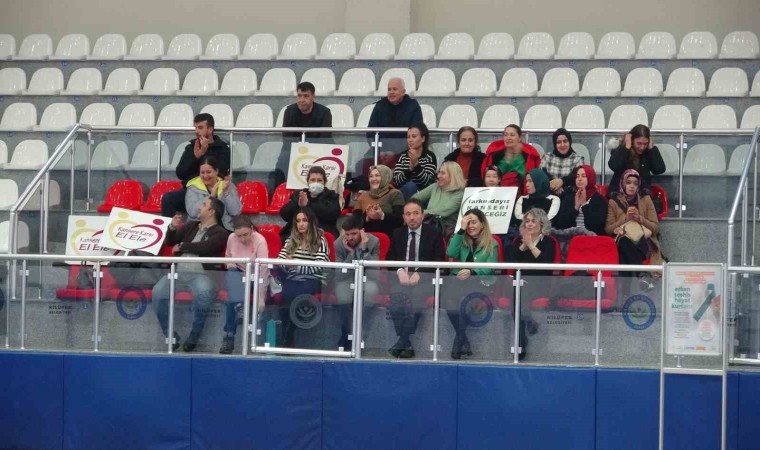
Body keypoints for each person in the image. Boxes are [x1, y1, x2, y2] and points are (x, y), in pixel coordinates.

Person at [152, 197, 229, 352]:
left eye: (204, 205)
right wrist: (172, 228)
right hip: (177, 273)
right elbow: (171, 241)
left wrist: (182, 246)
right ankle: (170, 335)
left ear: (211, 211)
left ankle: (194, 336)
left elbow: (206, 247)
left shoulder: (221, 232)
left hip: (202, 275)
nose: (199, 207)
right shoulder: (190, 225)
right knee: (158, 293)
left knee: (204, 296)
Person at [386, 199, 445, 359]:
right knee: (395, 301)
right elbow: (390, 258)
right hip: (402, 280)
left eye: (416, 213)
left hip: (424, 281)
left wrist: (420, 272)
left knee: (416, 301)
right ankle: (406, 343)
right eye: (408, 214)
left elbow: (439, 260)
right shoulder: (397, 233)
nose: (412, 217)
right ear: (404, 217)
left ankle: (402, 341)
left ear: (422, 215)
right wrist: (399, 271)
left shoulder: (433, 233)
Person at [445, 209, 499, 360]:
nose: (470, 226)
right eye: (467, 223)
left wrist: (472, 271)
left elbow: (491, 268)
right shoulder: (461, 239)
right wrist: (460, 230)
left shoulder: (492, 243)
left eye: (474, 222)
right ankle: (462, 339)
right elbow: (451, 253)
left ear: (482, 224)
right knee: (448, 300)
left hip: (480, 282)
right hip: (459, 281)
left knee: (467, 301)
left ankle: (459, 340)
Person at [505, 208, 557, 360]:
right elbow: (511, 262)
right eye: (527, 221)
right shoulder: (518, 241)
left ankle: (521, 342)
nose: (529, 224)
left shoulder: (548, 241)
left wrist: (531, 246)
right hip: (519, 282)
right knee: (517, 296)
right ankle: (525, 333)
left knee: (518, 297)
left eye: (533, 221)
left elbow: (545, 264)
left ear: (542, 224)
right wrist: (523, 246)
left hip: (540, 282)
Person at [276, 207, 330, 347]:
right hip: (293, 280)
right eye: (298, 221)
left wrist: (296, 266)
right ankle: (287, 338)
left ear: (311, 222)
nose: (301, 224)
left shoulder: (321, 241)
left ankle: (287, 338)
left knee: (295, 294)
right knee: (285, 295)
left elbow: (320, 266)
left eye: (304, 220)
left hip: (314, 280)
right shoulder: (291, 241)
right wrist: (287, 265)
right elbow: (279, 261)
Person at [162, 113, 230, 218]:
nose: (197, 131)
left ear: (210, 129)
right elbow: (180, 173)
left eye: (200, 127)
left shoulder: (222, 148)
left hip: (213, 190)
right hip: (192, 190)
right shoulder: (191, 148)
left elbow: (222, 171)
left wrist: (205, 153)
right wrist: (196, 157)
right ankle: (172, 228)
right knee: (168, 198)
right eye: (196, 128)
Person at [219, 216, 269, 354]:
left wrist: (261, 297)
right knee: (232, 274)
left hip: (254, 277)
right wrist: (229, 263)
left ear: (252, 229)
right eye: (239, 236)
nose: (242, 239)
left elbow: (263, 270)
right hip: (237, 275)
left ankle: (229, 336)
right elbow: (228, 257)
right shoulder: (231, 238)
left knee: (231, 298)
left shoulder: (260, 241)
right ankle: (239, 306)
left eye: (245, 234)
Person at [334, 215, 380, 350]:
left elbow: (375, 274)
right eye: (347, 234)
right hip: (347, 279)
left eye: (354, 234)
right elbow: (339, 275)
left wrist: (364, 250)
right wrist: (351, 254)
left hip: (367, 278)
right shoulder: (339, 244)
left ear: (362, 231)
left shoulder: (374, 242)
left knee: (371, 291)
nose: (350, 238)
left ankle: (359, 331)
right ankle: (348, 332)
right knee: (343, 295)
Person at [275, 81, 333, 187]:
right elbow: (287, 138)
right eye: (299, 96)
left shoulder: (325, 112)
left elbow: (325, 139)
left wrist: (307, 152)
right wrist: (301, 153)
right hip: (293, 150)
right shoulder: (289, 111)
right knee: (282, 161)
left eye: (306, 96)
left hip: (319, 150)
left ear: (313, 97)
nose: (302, 100)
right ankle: (278, 191)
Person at [605, 169, 663, 271]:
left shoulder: (646, 200)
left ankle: (628, 279)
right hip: (623, 240)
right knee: (624, 242)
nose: (632, 186)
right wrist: (626, 218)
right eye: (628, 183)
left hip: (643, 240)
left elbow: (655, 228)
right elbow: (608, 229)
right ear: (623, 184)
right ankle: (639, 274)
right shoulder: (613, 202)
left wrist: (639, 218)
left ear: (638, 186)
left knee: (627, 251)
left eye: (635, 184)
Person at [280, 166, 341, 241]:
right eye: (313, 180)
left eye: (319, 180)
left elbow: (332, 213)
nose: (316, 183)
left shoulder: (331, 195)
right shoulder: (299, 194)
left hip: (321, 233)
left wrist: (308, 204)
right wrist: (297, 205)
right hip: (298, 233)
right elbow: (284, 215)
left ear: (324, 182)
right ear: (308, 182)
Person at [480, 124, 542, 195]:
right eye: (506, 135)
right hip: (497, 194)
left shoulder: (529, 156)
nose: (508, 138)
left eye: (512, 135)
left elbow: (534, 179)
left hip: (522, 194)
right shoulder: (494, 155)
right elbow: (486, 176)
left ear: (520, 138)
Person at [184, 156, 242, 231]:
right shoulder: (193, 188)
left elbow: (235, 212)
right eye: (202, 173)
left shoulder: (227, 185)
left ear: (216, 171)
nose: (205, 176)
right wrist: (211, 197)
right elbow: (193, 212)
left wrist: (226, 192)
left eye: (208, 172)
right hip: (199, 228)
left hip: (225, 228)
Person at [608, 124, 665, 194]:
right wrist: (626, 147)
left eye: (645, 144)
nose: (642, 147)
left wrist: (651, 149)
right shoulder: (622, 150)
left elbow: (659, 170)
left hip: (642, 194)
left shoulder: (648, 153)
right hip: (619, 193)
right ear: (632, 140)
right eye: (639, 143)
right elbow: (614, 166)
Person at [552, 165, 608, 237]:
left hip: (591, 238)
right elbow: (561, 224)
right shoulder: (569, 197)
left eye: (583, 176)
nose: (579, 179)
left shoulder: (599, 200)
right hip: (570, 237)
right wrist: (576, 207)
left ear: (590, 178)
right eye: (577, 176)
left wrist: (584, 205)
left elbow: (596, 226)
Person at [412, 161, 466, 234]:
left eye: (443, 173)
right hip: (428, 223)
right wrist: (413, 210)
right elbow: (415, 198)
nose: (438, 176)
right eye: (439, 172)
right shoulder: (435, 186)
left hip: (446, 230)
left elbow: (443, 211)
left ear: (453, 176)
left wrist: (420, 213)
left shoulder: (459, 194)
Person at [352, 164, 404, 238]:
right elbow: (354, 222)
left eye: (377, 175)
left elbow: (400, 220)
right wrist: (367, 217)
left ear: (385, 177)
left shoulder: (395, 194)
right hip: (366, 237)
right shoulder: (362, 196)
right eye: (371, 176)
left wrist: (382, 215)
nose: (373, 179)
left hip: (388, 236)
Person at [392, 122, 437, 199]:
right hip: (405, 193)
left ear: (423, 139)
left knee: (412, 186)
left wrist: (416, 165)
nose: (410, 140)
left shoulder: (429, 156)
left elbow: (427, 182)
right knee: (410, 186)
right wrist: (409, 170)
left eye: (414, 136)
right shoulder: (403, 156)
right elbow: (397, 181)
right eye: (408, 137)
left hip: (424, 194)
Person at [540, 128, 585, 194]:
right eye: (559, 142)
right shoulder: (547, 157)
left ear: (569, 142)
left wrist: (562, 181)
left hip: (570, 196)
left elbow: (576, 177)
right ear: (555, 144)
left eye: (565, 141)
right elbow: (541, 175)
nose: (562, 145)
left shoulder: (578, 159)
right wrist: (555, 185)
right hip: (549, 195)